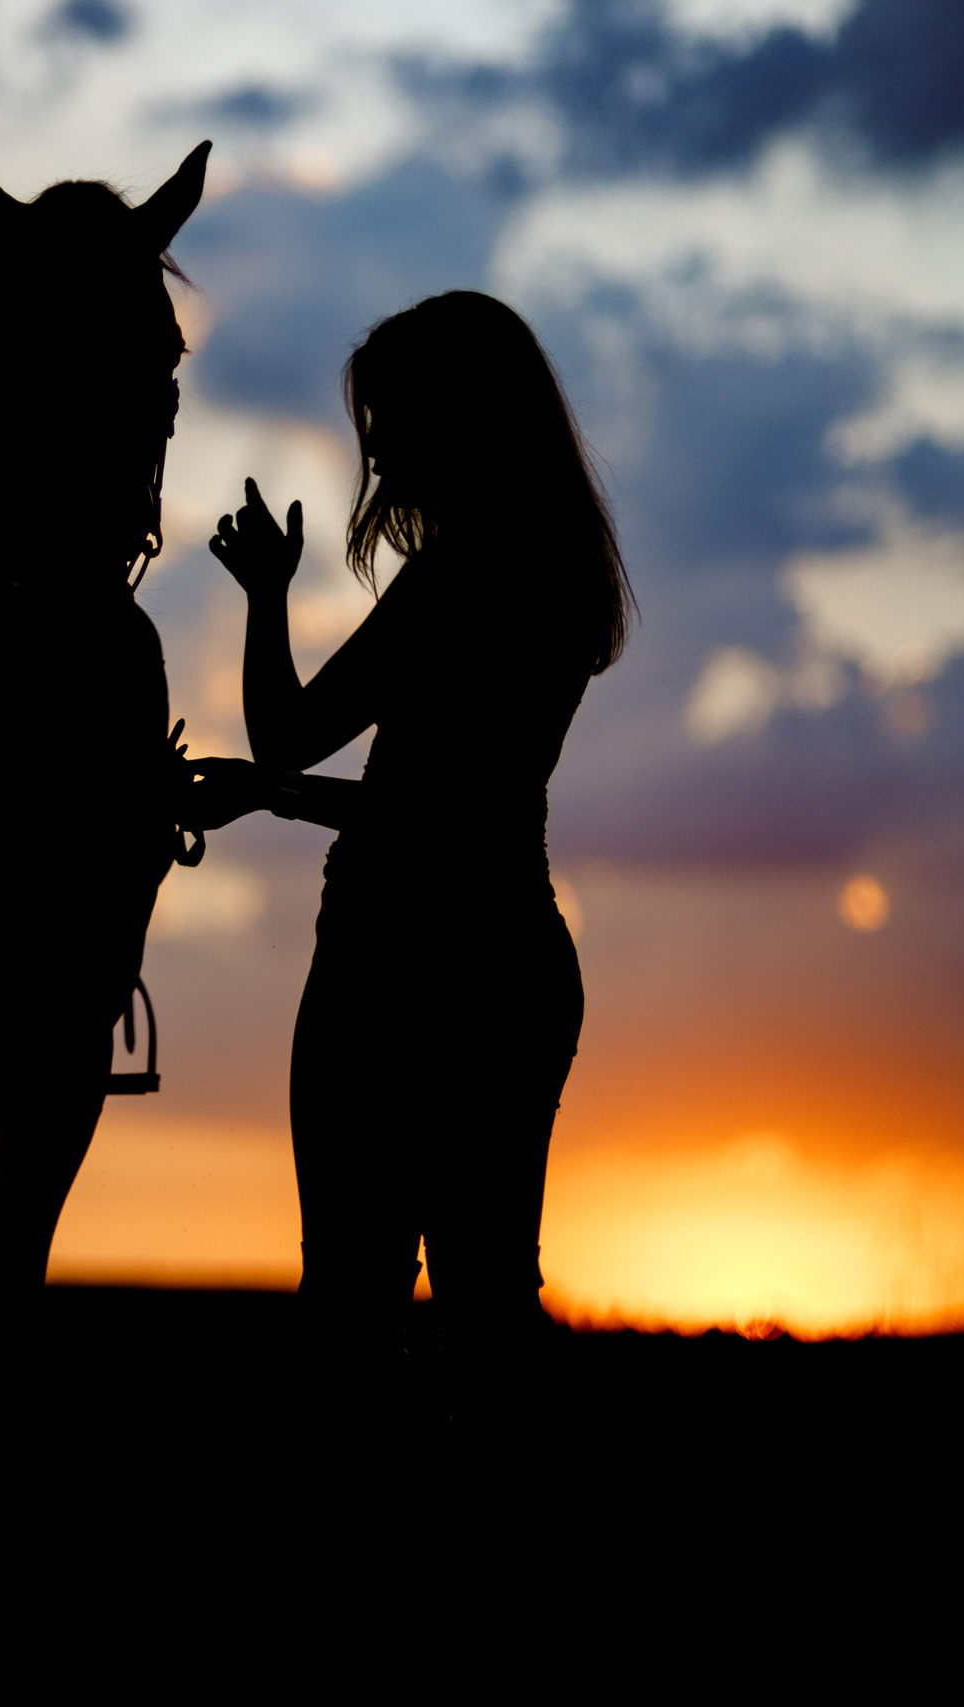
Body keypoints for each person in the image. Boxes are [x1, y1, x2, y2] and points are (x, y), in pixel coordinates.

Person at [186, 291, 633, 1403]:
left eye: (392, 422)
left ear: (458, 417)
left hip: (387, 972)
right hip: (516, 961)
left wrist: (266, 598)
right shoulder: (564, 577)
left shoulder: (454, 580)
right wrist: (278, 795)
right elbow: (459, 809)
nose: (378, 453)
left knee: (352, 1316)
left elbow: (292, 733)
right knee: (491, 1311)